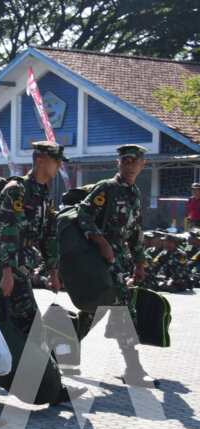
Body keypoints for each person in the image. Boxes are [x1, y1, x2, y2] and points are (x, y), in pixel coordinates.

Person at [0, 141, 85, 405]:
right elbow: (6, 235)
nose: (59, 167)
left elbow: (48, 235)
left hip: (22, 269)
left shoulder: (44, 194)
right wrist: (7, 272)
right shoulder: (16, 191)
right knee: (30, 327)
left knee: (7, 324)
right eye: (57, 161)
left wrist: (53, 270)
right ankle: (49, 387)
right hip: (8, 270)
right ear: (42, 160)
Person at [76, 144, 155, 387]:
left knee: (105, 311)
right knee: (106, 311)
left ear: (142, 165)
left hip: (120, 262)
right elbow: (83, 214)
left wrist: (140, 262)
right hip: (100, 261)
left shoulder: (135, 193)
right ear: (118, 163)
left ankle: (56, 347)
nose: (130, 165)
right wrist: (101, 242)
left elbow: (136, 231)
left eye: (135, 161)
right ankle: (133, 368)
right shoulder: (106, 188)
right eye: (126, 160)